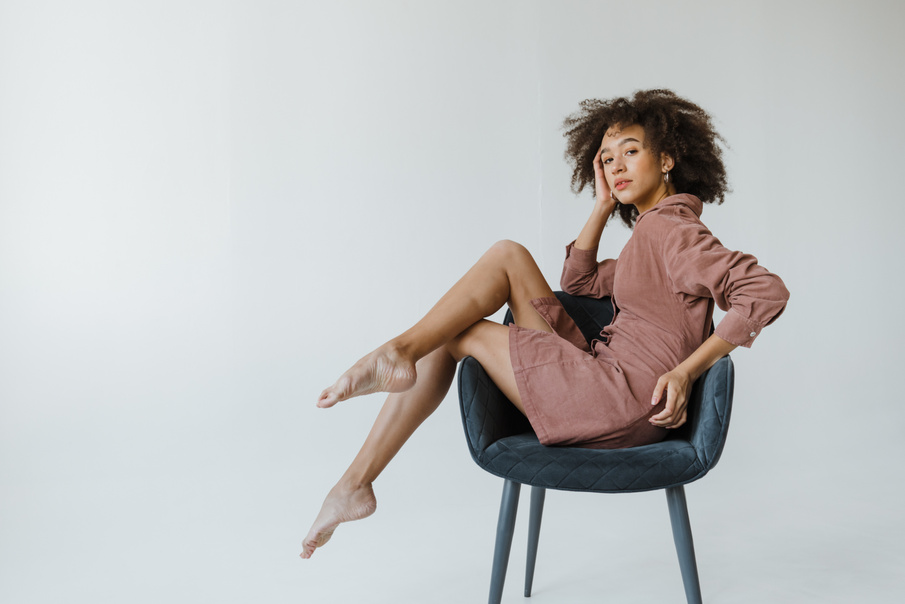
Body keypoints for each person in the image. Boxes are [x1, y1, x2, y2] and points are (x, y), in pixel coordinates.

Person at [300, 89, 789, 559]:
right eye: (606, 158)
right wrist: (601, 206)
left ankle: (372, 433)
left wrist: (687, 372)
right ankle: (376, 420)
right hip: (607, 380)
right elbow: (576, 284)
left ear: (667, 160)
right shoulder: (650, 233)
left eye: (631, 151)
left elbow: (764, 292)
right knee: (508, 256)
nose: (616, 165)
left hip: (623, 399)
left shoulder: (670, 230)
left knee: (459, 332)